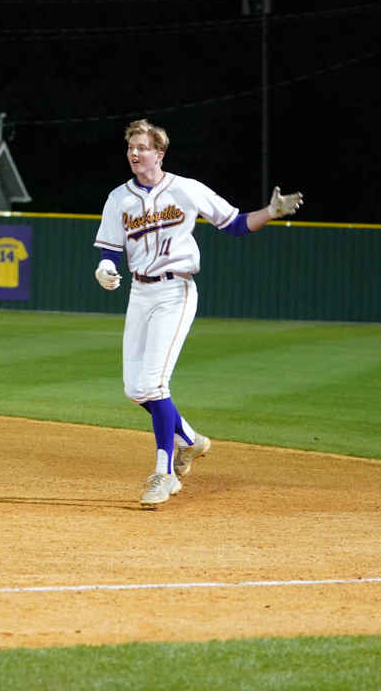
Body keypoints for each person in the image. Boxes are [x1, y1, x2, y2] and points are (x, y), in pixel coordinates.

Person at [93, 120, 303, 506]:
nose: (134, 153)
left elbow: (234, 224)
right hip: (139, 292)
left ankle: (164, 474)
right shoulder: (118, 198)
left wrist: (271, 211)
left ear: (159, 154)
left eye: (142, 147)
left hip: (176, 290)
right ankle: (190, 440)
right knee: (135, 389)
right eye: (131, 147)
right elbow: (110, 249)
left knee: (155, 383)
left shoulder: (186, 189)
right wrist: (105, 269)